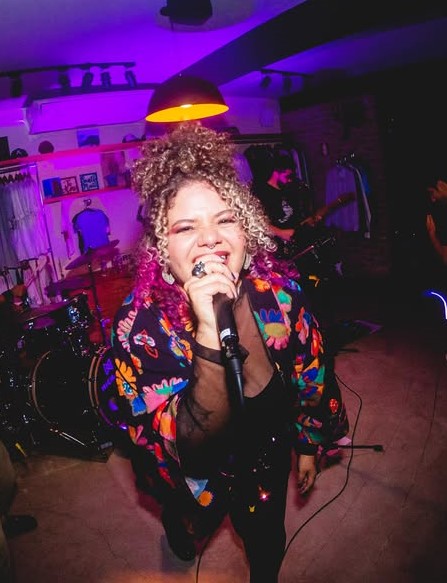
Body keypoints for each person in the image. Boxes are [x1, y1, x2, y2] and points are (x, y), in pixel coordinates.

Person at [111, 123, 348, 581]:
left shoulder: (281, 298)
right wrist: (206, 330)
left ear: (247, 232)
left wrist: (307, 444)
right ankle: (180, 528)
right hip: (196, 474)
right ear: (163, 252)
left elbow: (312, 374)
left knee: (267, 539)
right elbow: (181, 447)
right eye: (186, 227)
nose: (210, 238)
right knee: (190, 520)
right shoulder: (140, 324)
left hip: (266, 453)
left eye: (225, 219)